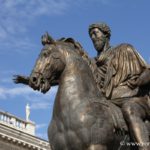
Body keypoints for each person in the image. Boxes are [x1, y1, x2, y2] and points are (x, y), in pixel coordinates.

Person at [89, 22, 150, 150]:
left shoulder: (124, 49)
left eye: (95, 33)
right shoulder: (93, 64)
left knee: (129, 109)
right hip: (110, 101)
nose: (93, 37)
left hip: (134, 98)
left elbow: (147, 71)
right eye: (91, 36)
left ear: (106, 35)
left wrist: (139, 80)